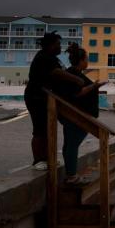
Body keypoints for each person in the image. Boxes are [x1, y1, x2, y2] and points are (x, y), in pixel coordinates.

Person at [24, 31, 85, 170]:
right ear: (50, 45)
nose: (60, 47)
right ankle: (38, 160)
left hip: (46, 98)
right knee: (39, 129)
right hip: (36, 97)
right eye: (57, 44)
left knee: (47, 129)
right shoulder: (43, 57)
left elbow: (63, 71)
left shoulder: (52, 58)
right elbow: (56, 73)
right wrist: (76, 79)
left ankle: (47, 158)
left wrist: (73, 55)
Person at [57, 43, 106, 185]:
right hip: (76, 117)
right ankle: (71, 176)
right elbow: (76, 94)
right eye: (86, 59)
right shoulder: (72, 74)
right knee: (72, 145)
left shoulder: (74, 73)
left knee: (70, 144)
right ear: (80, 61)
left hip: (77, 116)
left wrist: (94, 86)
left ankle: (71, 174)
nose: (87, 61)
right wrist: (94, 86)